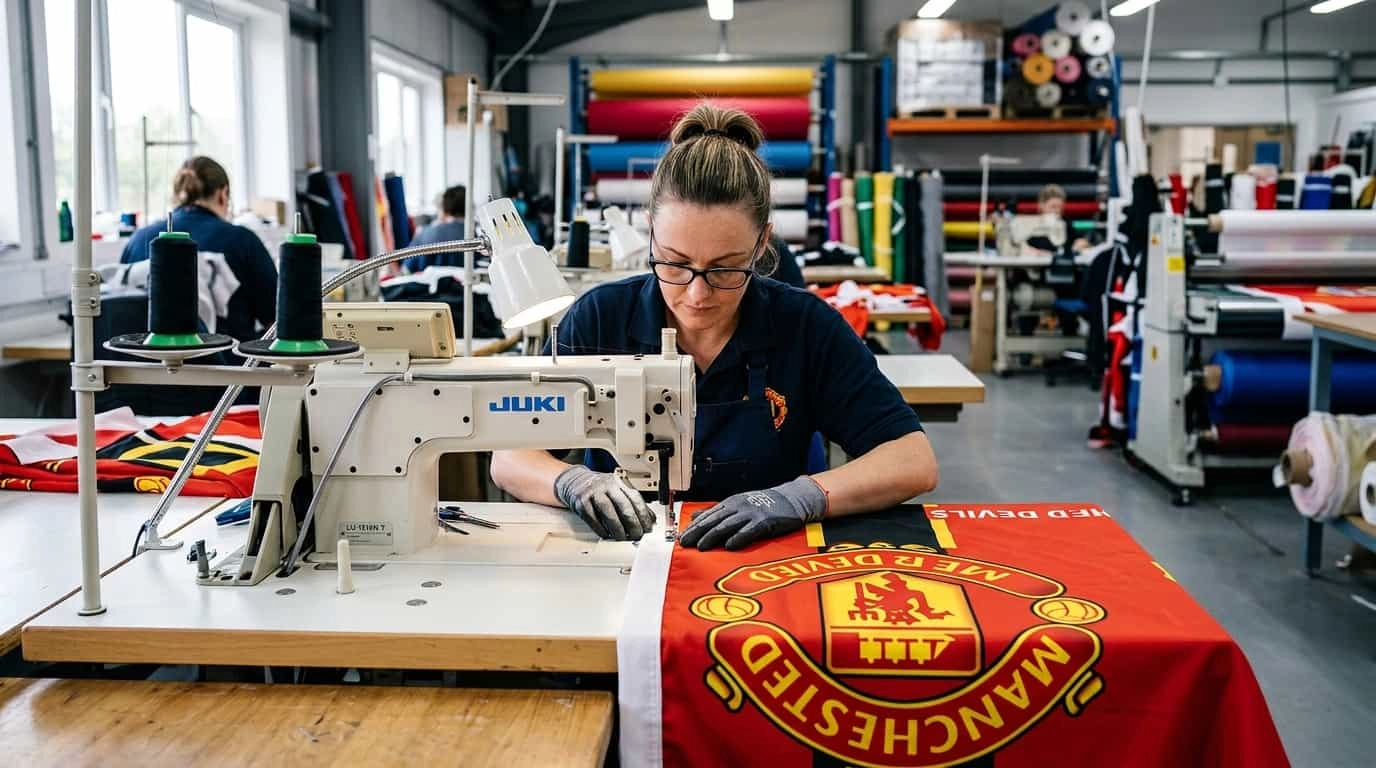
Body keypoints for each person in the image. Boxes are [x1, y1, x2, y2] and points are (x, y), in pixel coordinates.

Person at [490, 103, 938, 551]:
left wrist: (801, 497)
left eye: (725, 269)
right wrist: (571, 481)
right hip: (618, 560)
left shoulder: (806, 327)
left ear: (762, 242)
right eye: (675, 263)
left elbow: (912, 460)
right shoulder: (599, 318)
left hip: (766, 565)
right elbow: (510, 455)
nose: (697, 294)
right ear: (650, 233)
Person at [121, 156, 276, 343]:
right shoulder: (242, 241)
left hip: (148, 365)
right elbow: (276, 319)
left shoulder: (139, 239)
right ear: (223, 194)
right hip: (228, 366)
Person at [403, 185, 467, 272]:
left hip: (429, 284)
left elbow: (407, 269)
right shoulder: (476, 235)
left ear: (444, 209)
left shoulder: (426, 234)